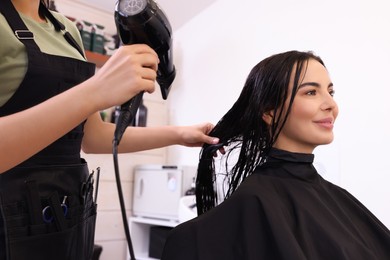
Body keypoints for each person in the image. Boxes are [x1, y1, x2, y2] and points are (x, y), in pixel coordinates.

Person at [0, 1, 219, 259]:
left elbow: (94, 136)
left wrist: (180, 135)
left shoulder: (67, 31)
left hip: (67, 217)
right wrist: (95, 91)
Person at [161, 50, 390, 260]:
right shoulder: (257, 200)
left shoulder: (336, 196)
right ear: (269, 112)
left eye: (330, 91)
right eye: (311, 92)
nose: (331, 104)